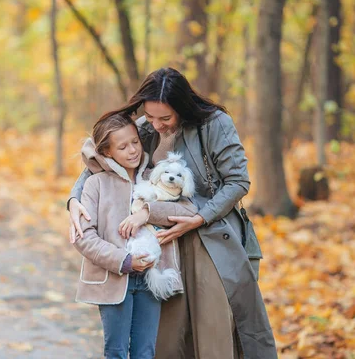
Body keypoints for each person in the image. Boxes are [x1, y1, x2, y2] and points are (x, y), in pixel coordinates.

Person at [68, 67, 277, 359]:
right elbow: (100, 159)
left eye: (164, 118)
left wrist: (200, 218)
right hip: (161, 243)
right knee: (165, 336)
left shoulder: (216, 124)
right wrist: (74, 198)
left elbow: (238, 181)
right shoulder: (145, 126)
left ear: (183, 107)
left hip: (210, 236)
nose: (156, 125)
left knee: (212, 328)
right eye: (150, 116)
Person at [73, 111, 196, 359]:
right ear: (107, 152)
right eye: (123, 146)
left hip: (152, 276)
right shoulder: (96, 185)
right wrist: (125, 261)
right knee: (116, 351)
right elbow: (84, 237)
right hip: (114, 277)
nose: (133, 151)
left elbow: (187, 209)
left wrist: (147, 212)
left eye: (135, 142)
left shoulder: (155, 177)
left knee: (145, 352)